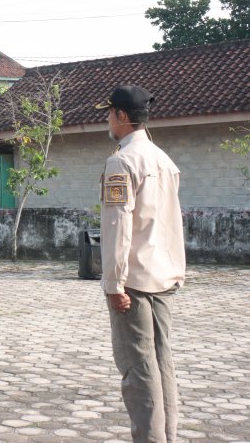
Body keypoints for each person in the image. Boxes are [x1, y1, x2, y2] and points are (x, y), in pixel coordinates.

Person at [96, 84, 186, 443]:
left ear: (120, 115)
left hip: (132, 281)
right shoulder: (164, 160)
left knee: (139, 369)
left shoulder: (121, 162)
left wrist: (113, 284)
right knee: (162, 364)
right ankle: (167, 436)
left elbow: (118, 225)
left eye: (109, 113)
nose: (107, 119)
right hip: (164, 276)